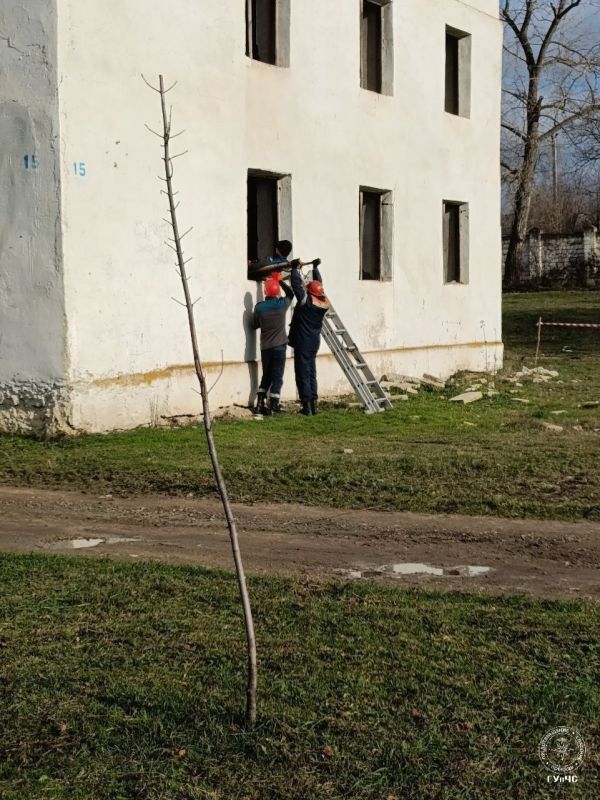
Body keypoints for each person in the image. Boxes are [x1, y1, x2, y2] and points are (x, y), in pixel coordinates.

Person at [288, 259, 330, 416]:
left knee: (302, 373)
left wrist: (293, 269)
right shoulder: (323, 302)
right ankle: (313, 404)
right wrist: (315, 269)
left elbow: (297, 287)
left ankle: (307, 407)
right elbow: (319, 284)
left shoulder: (307, 302)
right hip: (314, 342)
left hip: (302, 342)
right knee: (311, 373)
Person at [251, 271, 294, 416]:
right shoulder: (281, 304)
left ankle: (259, 405)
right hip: (279, 346)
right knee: (277, 377)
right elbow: (291, 294)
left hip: (265, 348)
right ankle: (273, 406)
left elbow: (254, 324)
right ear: (277, 292)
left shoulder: (259, 307)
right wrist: (280, 280)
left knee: (266, 376)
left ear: (265, 292)